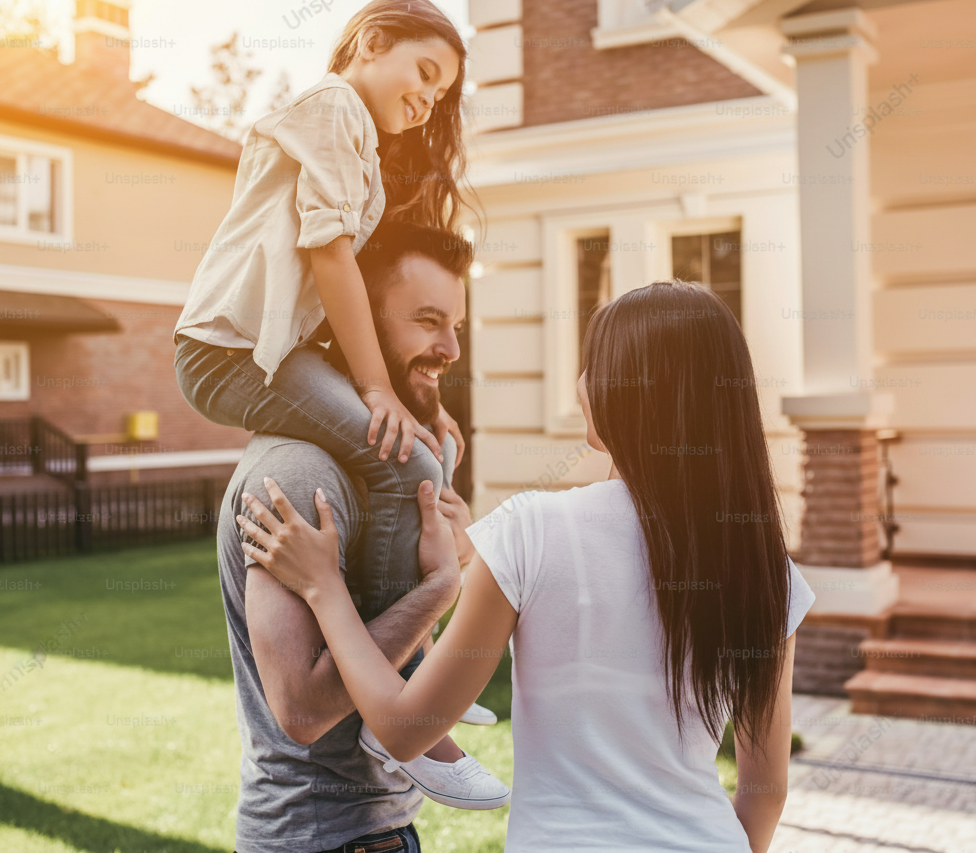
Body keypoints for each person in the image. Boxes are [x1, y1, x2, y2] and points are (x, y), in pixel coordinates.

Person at [240, 280, 817, 852]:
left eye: (594, 365)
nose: (581, 382)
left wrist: (325, 587)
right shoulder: (766, 569)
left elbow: (405, 730)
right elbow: (765, 792)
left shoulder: (531, 532)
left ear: (625, 394)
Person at [174, 0, 475, 656]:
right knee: (406, 459)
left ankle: (401, 653)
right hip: (227, 352)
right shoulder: (334, 106)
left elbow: (344, 297)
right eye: (425, 73)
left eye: (441, 93)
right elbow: (329, 252)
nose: (428, 101)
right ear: (370, 43)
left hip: (272, 352)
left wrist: (424, 400)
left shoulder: (361, 148)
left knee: (427, 448)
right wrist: (377, 390)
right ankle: (391, 668)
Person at [214, 223, 508, 853]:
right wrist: (440, 587)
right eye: (428, 321)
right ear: (360, 326)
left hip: (376, 829)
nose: (451, 347)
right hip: (322, 836)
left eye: (455, 324)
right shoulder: (298, 475)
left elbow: (388, 637)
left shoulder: (386, 465)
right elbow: (301, 712)